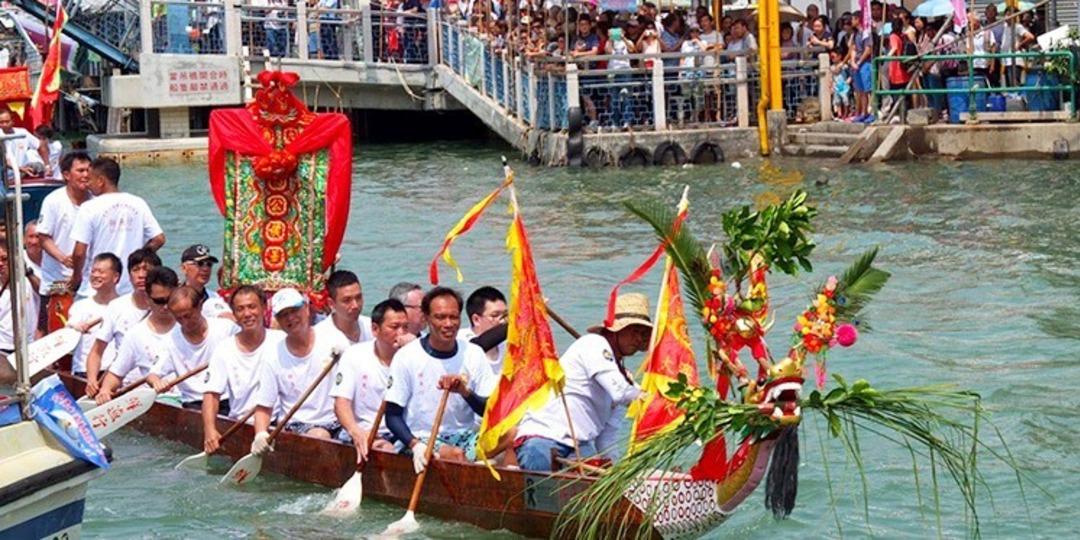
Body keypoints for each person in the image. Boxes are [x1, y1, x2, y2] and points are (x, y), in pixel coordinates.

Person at [514, 293, 650, 472]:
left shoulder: (623, 379)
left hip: (581, 446)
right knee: (546, 496)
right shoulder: (593, 344)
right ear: (616, 330)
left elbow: (606, 439)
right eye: (634, 331)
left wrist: (616, 474)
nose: (639, 338)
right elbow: (621, 393)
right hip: (544, 438)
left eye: (643, 333)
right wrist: (653, 401)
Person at [383, 287, 497, 473]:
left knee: (512, 435)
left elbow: (489, 410)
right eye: (440, 317)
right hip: (423, 437)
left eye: (453, 317)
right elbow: (392, 416)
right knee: (455, 455)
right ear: (426, 318)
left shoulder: (473, 353)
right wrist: (414, 445)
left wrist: (464, 391)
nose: (448, 324)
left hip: (466, 436)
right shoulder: (407, 357)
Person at [250, 288, 341, 450]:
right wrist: (260, 434)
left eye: (294, 310)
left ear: (306, 309)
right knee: (320, 435)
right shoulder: (273, 356)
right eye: (284, 315)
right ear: (277, 319)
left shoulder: (334, 340)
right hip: (298, 425)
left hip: (338, 421)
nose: (290, 318)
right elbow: (264, 407)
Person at [201, 285, 282, 454]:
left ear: (264, 308)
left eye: (252, 307)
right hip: (241, 424)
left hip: (279, 423)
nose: (247, 314)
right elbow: (211, 394)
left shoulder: (281, 342)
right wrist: (209, 430)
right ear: (234, 314)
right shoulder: (224, 348)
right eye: (240, 309)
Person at [70, 157, 165, 298]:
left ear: (101, 181)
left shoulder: (89, 207)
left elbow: (79, 252)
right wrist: (137, 258)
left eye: (90, 179)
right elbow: (159, 239)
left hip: (97, 288)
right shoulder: (138, 203)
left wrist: (76, 279)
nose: (88, 184)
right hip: (130, 286)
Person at [331, 299, 411, 462]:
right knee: (386, 449)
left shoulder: (414, 357)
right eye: (394, 327)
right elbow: (341, 403)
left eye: (405, 328)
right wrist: (355, 431)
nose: (401, 334)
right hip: (366, 432)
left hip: (405, 434)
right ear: (375, 329)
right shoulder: (354, 355)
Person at [94, 266, 179, 404]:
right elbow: (115, 374)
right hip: (155, 400)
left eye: (169, 300)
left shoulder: (189, 326)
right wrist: (105, 390)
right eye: (159, 301)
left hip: (189, 399)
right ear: (147, 298)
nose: (165, 307)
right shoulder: (136, 335)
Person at [84, 248, 160, 398]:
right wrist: (92, 380)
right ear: (129, 276)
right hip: (124, 386)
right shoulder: (117, 307)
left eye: (147, 269)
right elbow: (96, 352)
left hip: (160, 386)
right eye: (136, 270)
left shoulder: (167, 307)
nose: (141, 275)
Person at [147, 286, 237, 410]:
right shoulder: (170, 340)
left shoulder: (226, 328)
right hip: (193, 403)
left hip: (227, 400)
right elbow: (152, 375)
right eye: (179, 318)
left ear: (200, 306)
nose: (185, 322)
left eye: (188, 316)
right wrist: (157, 383)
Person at [36, 151, 92, 335]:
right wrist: (62, 258)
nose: (86, 175)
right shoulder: (53, 201)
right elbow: (43, 237)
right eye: (81, 170)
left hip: (88, 279)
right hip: (57, 278)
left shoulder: (95, 201)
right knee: (47, 325)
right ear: (66, 175)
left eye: (89, 170)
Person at [66, 254, 121, 377]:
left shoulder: (124, 306)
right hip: (83, 370)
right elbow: (68, 333)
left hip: (114, 372)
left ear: (115, 277)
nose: (95, 275)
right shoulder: (79, 306)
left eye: (101, 272)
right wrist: (74, 329)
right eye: (93, 271)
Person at [315, 270, 372, 349]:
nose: (355, 305)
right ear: (331, 303)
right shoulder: (319, 338)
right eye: (347, 300)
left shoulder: (372, 328)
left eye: (358, 297)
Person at [460, 286, 507, 375]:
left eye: (505, 315)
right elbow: (478, 346)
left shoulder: (507, 342)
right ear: (476, 319)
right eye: (495, 315)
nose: (502, 321)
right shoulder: (462, 340)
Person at [0, 243, 38, 355]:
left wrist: (27, 272)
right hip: (2, 347)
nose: (1, 263)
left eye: (5, 259)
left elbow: (43, 292)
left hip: (27, 347)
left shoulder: (27, 281)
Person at [178, 244, 230, 319]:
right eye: (200, 264)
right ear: (184, 268)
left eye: (209, 264)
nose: (205, 269)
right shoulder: (174, 297)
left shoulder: (214, 297)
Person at [0, 110, 45, 179]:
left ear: (12, 121)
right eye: (1, 122)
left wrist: (47, 165)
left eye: (7, 121)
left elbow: (40, 145)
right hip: (5, 177)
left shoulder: (22, 132)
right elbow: (3, 160)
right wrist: (20, 169)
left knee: (38, 166)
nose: (4, 125)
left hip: (23, 172)